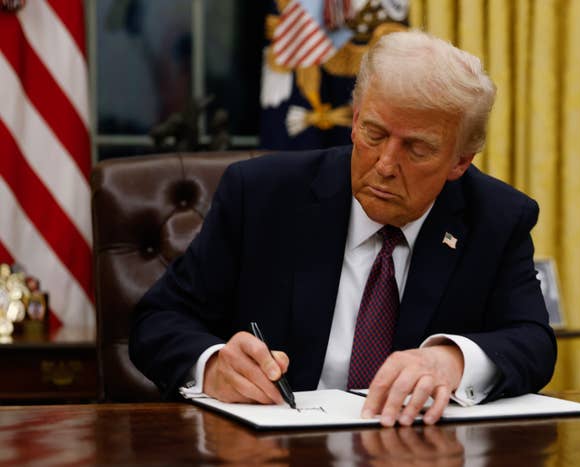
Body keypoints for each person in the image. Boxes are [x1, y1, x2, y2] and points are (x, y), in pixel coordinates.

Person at [129, 30, 556, 427]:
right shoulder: (261, 196)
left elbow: (533, 341)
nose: (386, 165)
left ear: (461, 161)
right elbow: (159, 319)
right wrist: (214, 364)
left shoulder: (496, 218)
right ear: (354, 121)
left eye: (417, 148)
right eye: (374, 133)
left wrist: (452, 362)